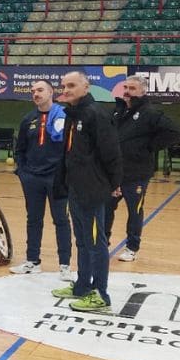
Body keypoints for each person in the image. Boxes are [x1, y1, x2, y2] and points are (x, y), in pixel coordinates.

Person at [53, 71, 122, 313]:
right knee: (81, 241)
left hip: (93, 189)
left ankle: (101, 295)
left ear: (86, 86)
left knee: (95, 243)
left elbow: (111, 151)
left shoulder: (96, 114)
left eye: (72, 85)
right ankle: (82, 286)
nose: (67, 89)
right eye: (64, 85)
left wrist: (115, 183)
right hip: (75, 188)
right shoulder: (73, 114)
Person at [105, 75, 177, 263]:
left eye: (132, 88)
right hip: (114, 173)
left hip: (136, 174)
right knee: (106, 207)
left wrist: (148, 147)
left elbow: (172, 132)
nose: (127, 91)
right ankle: (102, 243)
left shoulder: (150, 113)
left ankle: (132, 247)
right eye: (126, 87)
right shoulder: (117, 111)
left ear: (143, 91)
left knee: (134, 211)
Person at [10, 80, 72, 279]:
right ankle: (32, 261)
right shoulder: (28, 119)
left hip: (57, 179)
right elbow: (20, 149)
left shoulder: (65, 116)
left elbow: (70, 148)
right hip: (33, 178)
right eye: (33, 91)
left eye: (40, 90)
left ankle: (64, 265)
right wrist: (24, 173)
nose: (35, 93)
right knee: (33, 220)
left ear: (51, 92)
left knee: (61, 220)